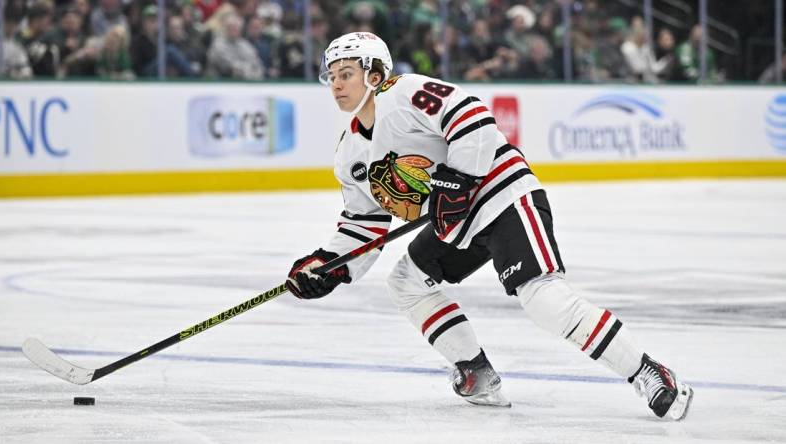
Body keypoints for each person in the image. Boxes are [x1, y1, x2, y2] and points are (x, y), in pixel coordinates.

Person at [286, 32, 694, 420]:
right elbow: (364, 223)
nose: (337, 84)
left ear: (375, 75)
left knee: (542, 299)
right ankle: (475, 371)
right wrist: (328, 265)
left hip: (501, 193)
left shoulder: (403, 93)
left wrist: (459, 178)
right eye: (332, 76)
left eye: (347, 74)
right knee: (406, 282)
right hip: (457, 222)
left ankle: (648, 371)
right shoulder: (349, 154)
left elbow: (472, 116)